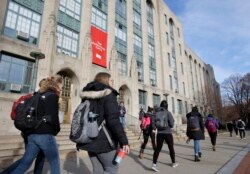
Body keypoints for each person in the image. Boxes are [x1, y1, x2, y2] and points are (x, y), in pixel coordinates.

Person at [76, 72, 130, 174]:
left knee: (97, 169)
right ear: (105, 80)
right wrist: (124, 141)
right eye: (110, 79)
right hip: (104, 141)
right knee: (111, 168)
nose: (113, 81)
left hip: (89, 139)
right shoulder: (108, 94)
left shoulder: (86, 95)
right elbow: (113, 120)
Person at [11, 75, 63, 174]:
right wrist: (57, 129)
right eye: (62, 85)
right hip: (45, 134)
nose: (62, 88)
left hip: (32, 134)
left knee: (24, 164)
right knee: (55, 163)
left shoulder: (38, 95)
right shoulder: (52, 96)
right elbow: (52, 117)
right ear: (58, 84)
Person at [1, 79, 48, 174]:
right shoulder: (43, 98)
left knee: (38, 156)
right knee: (31, 158)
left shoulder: (30, 96)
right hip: (37, 133)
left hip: (27, 131)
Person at [151, 100, 178, 172]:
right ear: (166, 106)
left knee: (158, 149)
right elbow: (172, 124)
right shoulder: (168, 112)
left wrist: (155, 128)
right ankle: (173, 163)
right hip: (168, 133)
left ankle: (154, 164)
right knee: (171, 148)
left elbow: (153, 123)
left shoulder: (156, 112)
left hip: (159, 133)